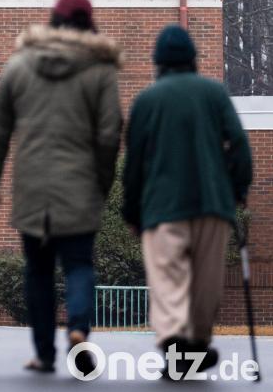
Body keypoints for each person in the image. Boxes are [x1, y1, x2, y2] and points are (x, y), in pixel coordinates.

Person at [0, 0, 123, 375]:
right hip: (80, 186)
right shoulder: (100, 70)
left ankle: (43, 354)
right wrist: (102, 183)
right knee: (78, 264)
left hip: (33, 189)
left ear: (52, 22)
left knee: (38, 271)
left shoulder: (20, 65)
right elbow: (110, 135)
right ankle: (77, 328)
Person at [122, 25, 253, 380]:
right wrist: (238, 191)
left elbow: (134, 165)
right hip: (213, 205)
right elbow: (240, 146)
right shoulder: (214, 93)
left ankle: (177, 346)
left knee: (168, 280)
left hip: (163, 209)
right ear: (193, 59)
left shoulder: (147, 101)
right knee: (205, 283)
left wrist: (132, 211)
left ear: (158, 63)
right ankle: (196, 343)